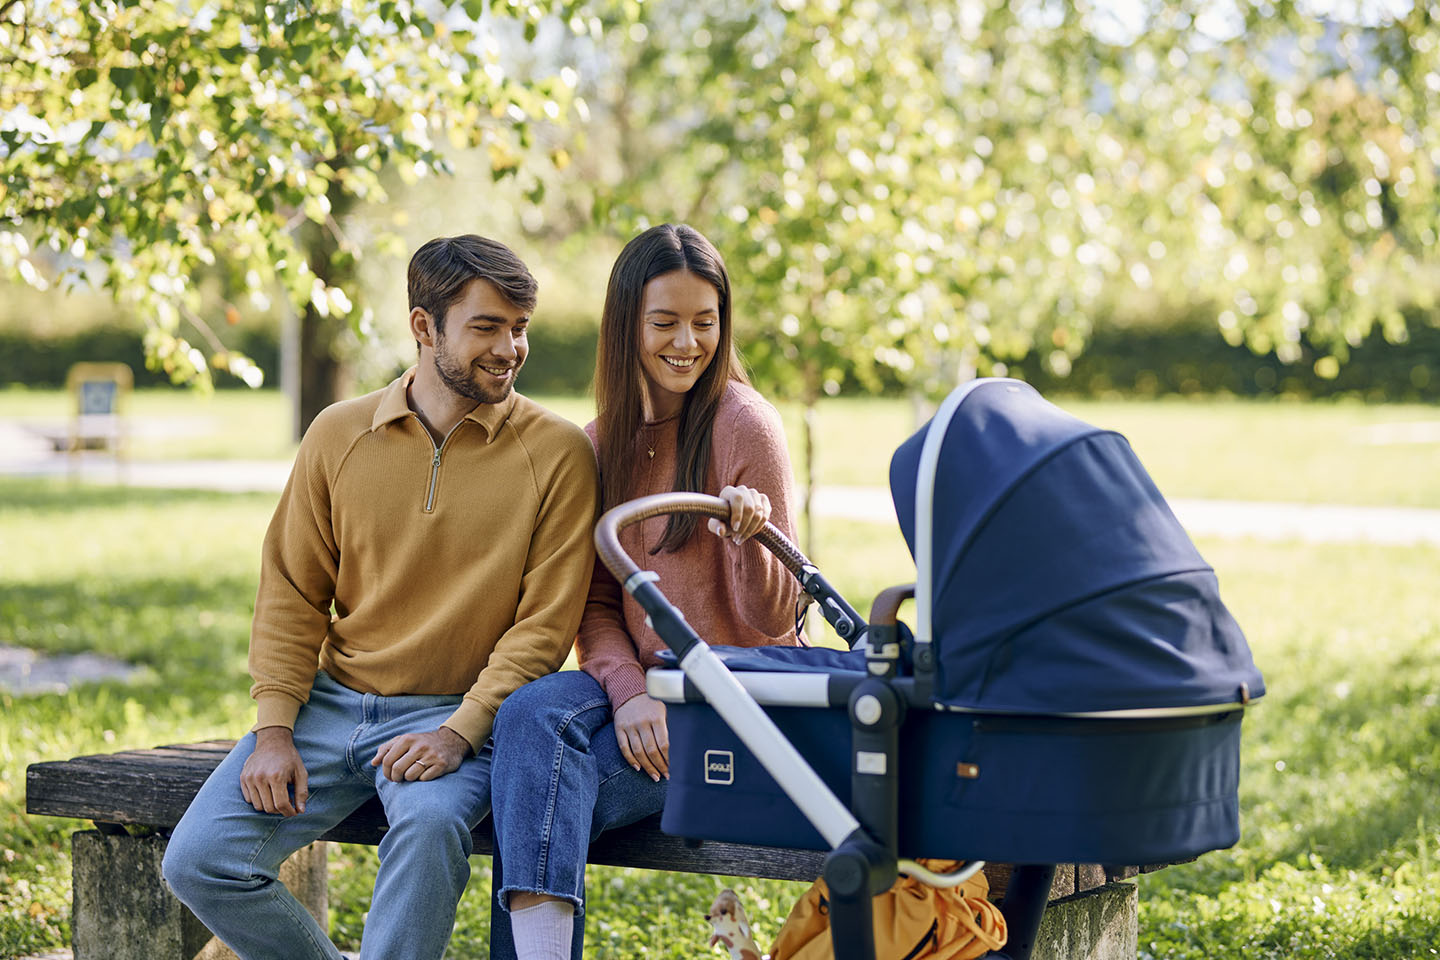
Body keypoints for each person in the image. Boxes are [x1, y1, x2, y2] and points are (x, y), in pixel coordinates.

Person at [162, 235, 600, 960]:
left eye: (519, 328)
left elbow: (543, 627)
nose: (509, 349)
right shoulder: (338, 435)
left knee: (428, 830)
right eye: (486, 327)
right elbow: (293, 592)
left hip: (460, 715)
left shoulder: (557, 452)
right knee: (200, 860)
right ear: (423, 328)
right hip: (330, 708)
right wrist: (274, 730)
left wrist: (461, 730)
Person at [487, 223, 804, 960]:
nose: (687, 342)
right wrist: (629, 692)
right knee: (528, 712)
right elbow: (595, 604)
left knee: (546, 785)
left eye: (705, 322)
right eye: (665, 323)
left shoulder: (745, 425)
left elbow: (773, 619)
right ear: (626, 324)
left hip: (736, 707)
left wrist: (748, 543)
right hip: (647, 696)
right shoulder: (602, 444)